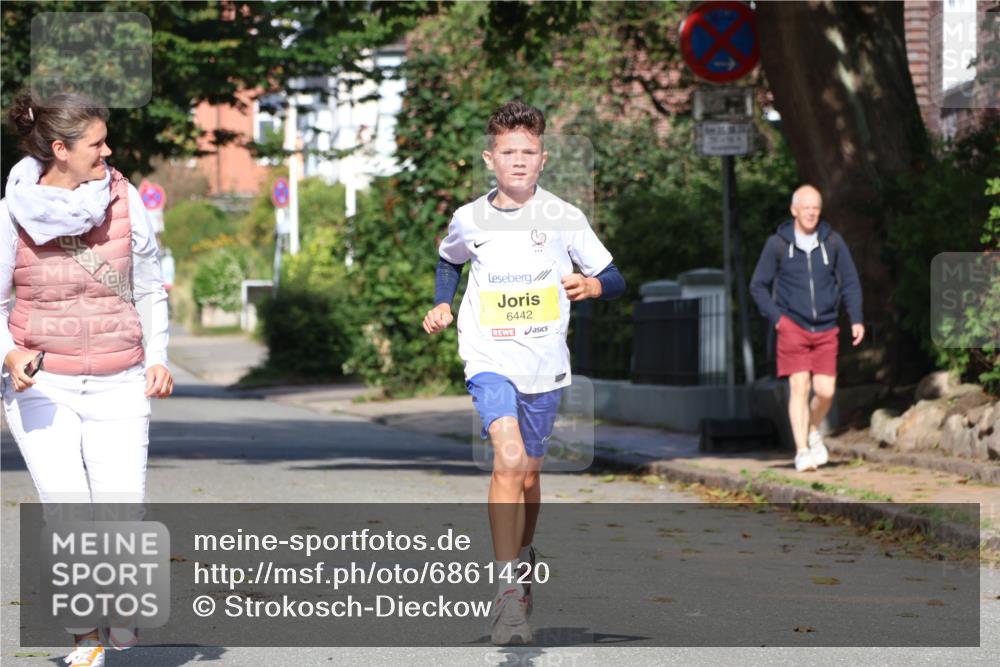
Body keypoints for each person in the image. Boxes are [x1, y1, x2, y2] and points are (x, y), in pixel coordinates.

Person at [422, 99, 625, 645]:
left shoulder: (564, 217)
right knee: (507, 459)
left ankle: (524, 555)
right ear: (491, 159)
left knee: (530, 475)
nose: (518, 161)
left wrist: (594, 285)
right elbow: (450, 260)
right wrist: (444, 302)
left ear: (543, 159)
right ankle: (506, 586)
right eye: (508, 152)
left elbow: (614, 275)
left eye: (528, 152)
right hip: (489, 358)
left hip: (544, 366)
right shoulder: (470, 219)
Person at [1, 92, 173, 666]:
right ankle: (84, 635)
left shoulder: (126, 200)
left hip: (119, 378)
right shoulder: (10, 212)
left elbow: (149, 283)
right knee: (68, 513)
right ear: (60, 149)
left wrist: (159, 356)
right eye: (96, 144)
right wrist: (8, 352)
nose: (108, 152)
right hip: (43, 384)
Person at [749, 185, 864, 472]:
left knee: (825, 392)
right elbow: (758, 286)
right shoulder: (777, 244)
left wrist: (856, 318)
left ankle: (813, 430)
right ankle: (801, 450)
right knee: (799, 387)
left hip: (826, 327)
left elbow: (849, 281)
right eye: (806, 207)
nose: (812, 212)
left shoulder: (833, 242)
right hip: (793, 326)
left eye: (816, 207)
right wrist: (779, 320)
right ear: (794, 210)